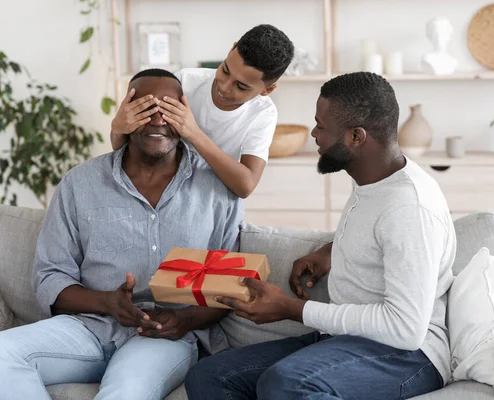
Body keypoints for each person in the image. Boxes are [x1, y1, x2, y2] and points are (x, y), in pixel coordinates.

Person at [0, 69, 243, 400]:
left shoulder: (218, 189)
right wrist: (107, 303)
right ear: (124, 112)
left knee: (124, 392)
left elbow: (228, 287)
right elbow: (50, 276)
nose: (157, 118)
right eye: (145, 106)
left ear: (186, 114)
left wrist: (184, 321)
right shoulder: (79, 183)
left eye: (169, 107)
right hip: (89, 327)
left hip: (165, 339)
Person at [184, 72, 457, 400]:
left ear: (356, 137)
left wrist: (291, 308)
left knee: (287, 383)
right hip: (346, 340)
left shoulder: (409, 206)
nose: (313, 134)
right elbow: (382, 237)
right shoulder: (374, 181)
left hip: (410, 355)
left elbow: (405, 329)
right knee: (211, 375)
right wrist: (332, 250)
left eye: (321, 126)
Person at [110, 24, 295, 198]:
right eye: (225, 70)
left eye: (241, 86)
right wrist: (118, 128)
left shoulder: (263, 114)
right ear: (231, 50)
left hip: (213, 199)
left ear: (266, 90)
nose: (224, 87)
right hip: (163, 190)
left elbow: (245, 186)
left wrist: (194, 134)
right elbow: (127, 151)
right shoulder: (184, 82)